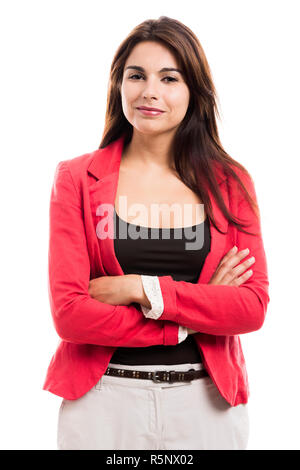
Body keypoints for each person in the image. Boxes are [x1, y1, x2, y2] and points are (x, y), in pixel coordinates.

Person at [43, 16, 270, 450]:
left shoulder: (231, 182)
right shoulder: (76, 178)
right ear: (119, 86)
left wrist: (140, 289)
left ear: (193, 91)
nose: (150, 91)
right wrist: (187, 322)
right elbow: (70, 315)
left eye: (169, 78)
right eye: (136, 75)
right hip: (102, 403)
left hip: (206, 404)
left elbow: (250, 307)